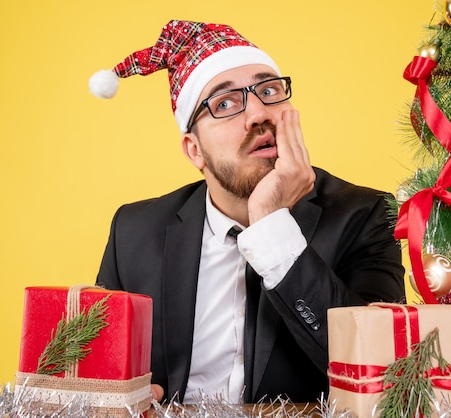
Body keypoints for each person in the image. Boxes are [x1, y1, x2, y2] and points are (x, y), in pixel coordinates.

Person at [90, 20, 405, 404]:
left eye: (269, 91)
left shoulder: (366, 214)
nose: (258, 113)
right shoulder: (135, 231)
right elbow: (97, 375)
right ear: (194, 151)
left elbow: (387, 373)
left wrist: (272, 227)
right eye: (225, 103)